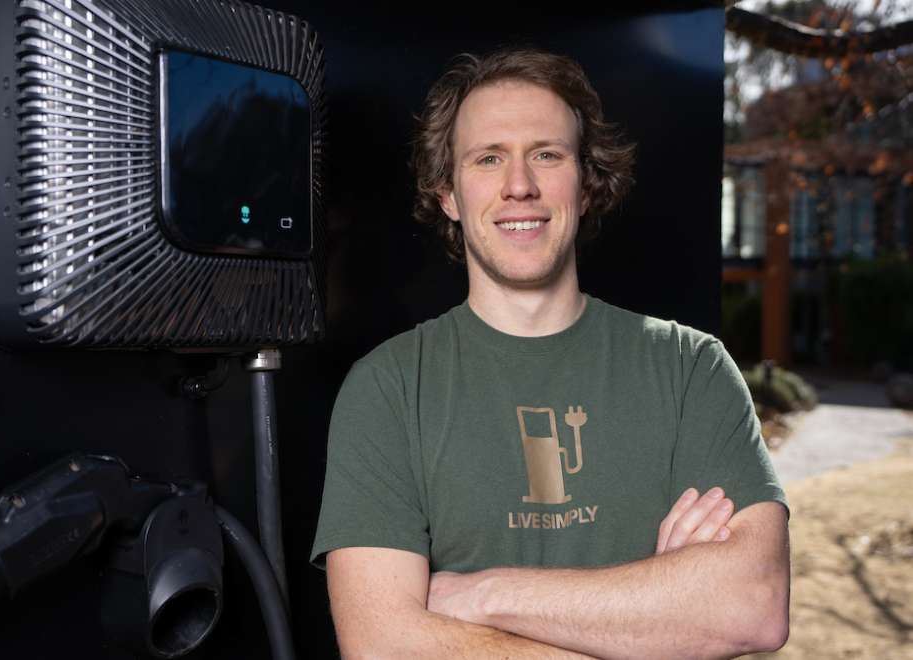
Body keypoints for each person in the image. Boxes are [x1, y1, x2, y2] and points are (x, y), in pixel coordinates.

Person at [310, 47, 790, 659]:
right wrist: (656, 620)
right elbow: (383, 646)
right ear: (448, 195)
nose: (519, 186)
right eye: (488, 159)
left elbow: (751, 607)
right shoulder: (388, 388)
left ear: (586, 185)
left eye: (547, 154)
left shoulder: (690, 367)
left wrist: (483, 595)